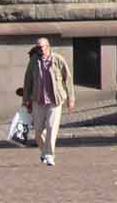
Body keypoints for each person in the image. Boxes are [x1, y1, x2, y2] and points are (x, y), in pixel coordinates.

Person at [16, 37, 75, 168]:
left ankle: (49, 155)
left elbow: (68, 79)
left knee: (51, 127)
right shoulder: (33, 62)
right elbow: (28, 81)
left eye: (42, 47)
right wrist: (25, 100)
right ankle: (44, 152)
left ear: (48, 47)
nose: (40, 50)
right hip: (38, 100)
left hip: (55, 100)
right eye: (38, 48)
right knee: (38, 132)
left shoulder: (58, 60)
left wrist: (71, 98)